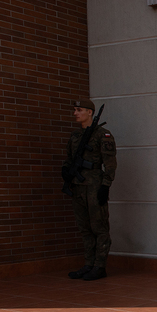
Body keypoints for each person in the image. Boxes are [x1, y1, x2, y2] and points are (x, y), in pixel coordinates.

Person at [63, 98, 117, 281]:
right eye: (75, 109)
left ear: (89, 112)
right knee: (84, 228)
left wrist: (105, 186)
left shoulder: (103, 135)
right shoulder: (75, 136)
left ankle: (99, 266)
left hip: (95, 187)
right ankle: (89, 264)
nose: (75, 113)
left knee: (99, 227)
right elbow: (69, 158)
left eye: (79, 110)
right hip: (78, 188)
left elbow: (110, 165)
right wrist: (66, 171)